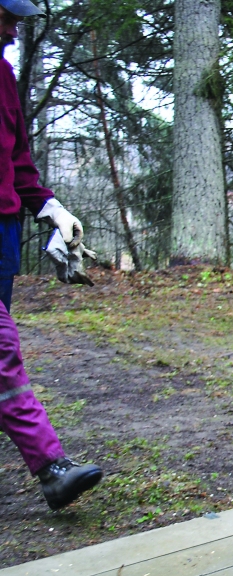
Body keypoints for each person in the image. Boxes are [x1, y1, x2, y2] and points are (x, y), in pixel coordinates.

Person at [0, 0, 103, 511]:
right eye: (6, 18)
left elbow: (18, 157)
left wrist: (51, 209)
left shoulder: (2, 75)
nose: (14, 32)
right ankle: (50, 467)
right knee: (1, 355)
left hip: (2, 234)